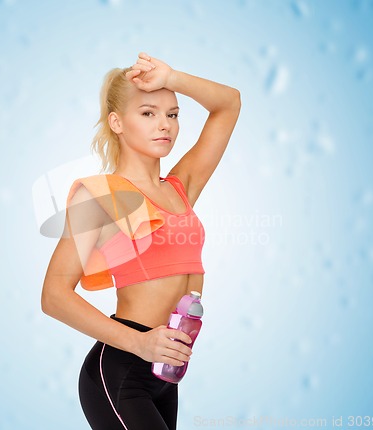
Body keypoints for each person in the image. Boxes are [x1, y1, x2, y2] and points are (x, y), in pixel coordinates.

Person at [41, 52, 241, 430]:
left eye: (173, 114)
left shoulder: (181, 188)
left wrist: (172, 76)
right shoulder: (101, 196)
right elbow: (53, 295)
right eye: (148, 113)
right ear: (117, 122)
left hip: (167, 373)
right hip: (122, 368)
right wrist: (139, 344)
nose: (164, 125)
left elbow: (229, 103)